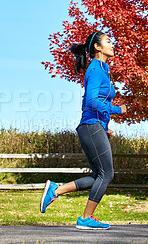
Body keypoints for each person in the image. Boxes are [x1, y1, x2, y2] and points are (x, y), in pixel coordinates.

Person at [40, 32, 127, 230]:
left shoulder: (102, 70)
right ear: (97, 47)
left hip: (94, 127)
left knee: (99, 175)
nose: (112, 45)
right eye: (108, 42)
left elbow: (97, 104)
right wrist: (117, 110)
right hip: (90, 126)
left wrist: (105, 128)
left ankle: (56, 190)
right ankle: (86, 218)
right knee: (107, 174)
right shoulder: (95, 70)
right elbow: (90, 101)